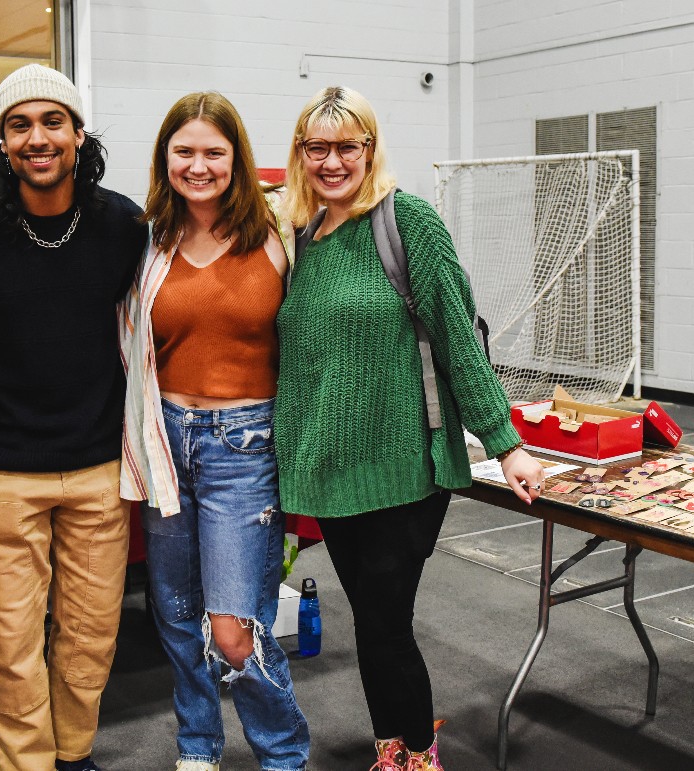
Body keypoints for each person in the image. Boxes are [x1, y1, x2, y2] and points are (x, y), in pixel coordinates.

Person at [275, 86, 545, 771]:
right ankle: (390, 749)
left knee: (387, 623)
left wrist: (505, 442)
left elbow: (457, 336)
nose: (332, 161)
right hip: (333, 473)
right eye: (317, 147)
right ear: (301, 154)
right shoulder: (303, 238)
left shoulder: (407, 222)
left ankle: (421, 756)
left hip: (405, 467)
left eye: (347, 146)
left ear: (370, 149)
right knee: (370, 623)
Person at [0, 63, 146, 771]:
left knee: (89, 634)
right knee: (11, 639)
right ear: (3, 141)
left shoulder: (121, 224)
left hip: (99, 465)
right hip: (3, 469)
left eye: (52, 121)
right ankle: (27, 763)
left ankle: (74, 754)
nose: (37, 138)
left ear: (78, 133)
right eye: (19, 124)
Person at [119, 92, 310, 771]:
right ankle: (197, 747)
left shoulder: (281, 233)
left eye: (213, 152)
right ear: (164, 158)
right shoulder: (148, 242)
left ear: (237, 158)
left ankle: (284, 755)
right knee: (175, 615)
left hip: (245, 446)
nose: (198, 166)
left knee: (234, 629)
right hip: (165, 440)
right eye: (184, 152)